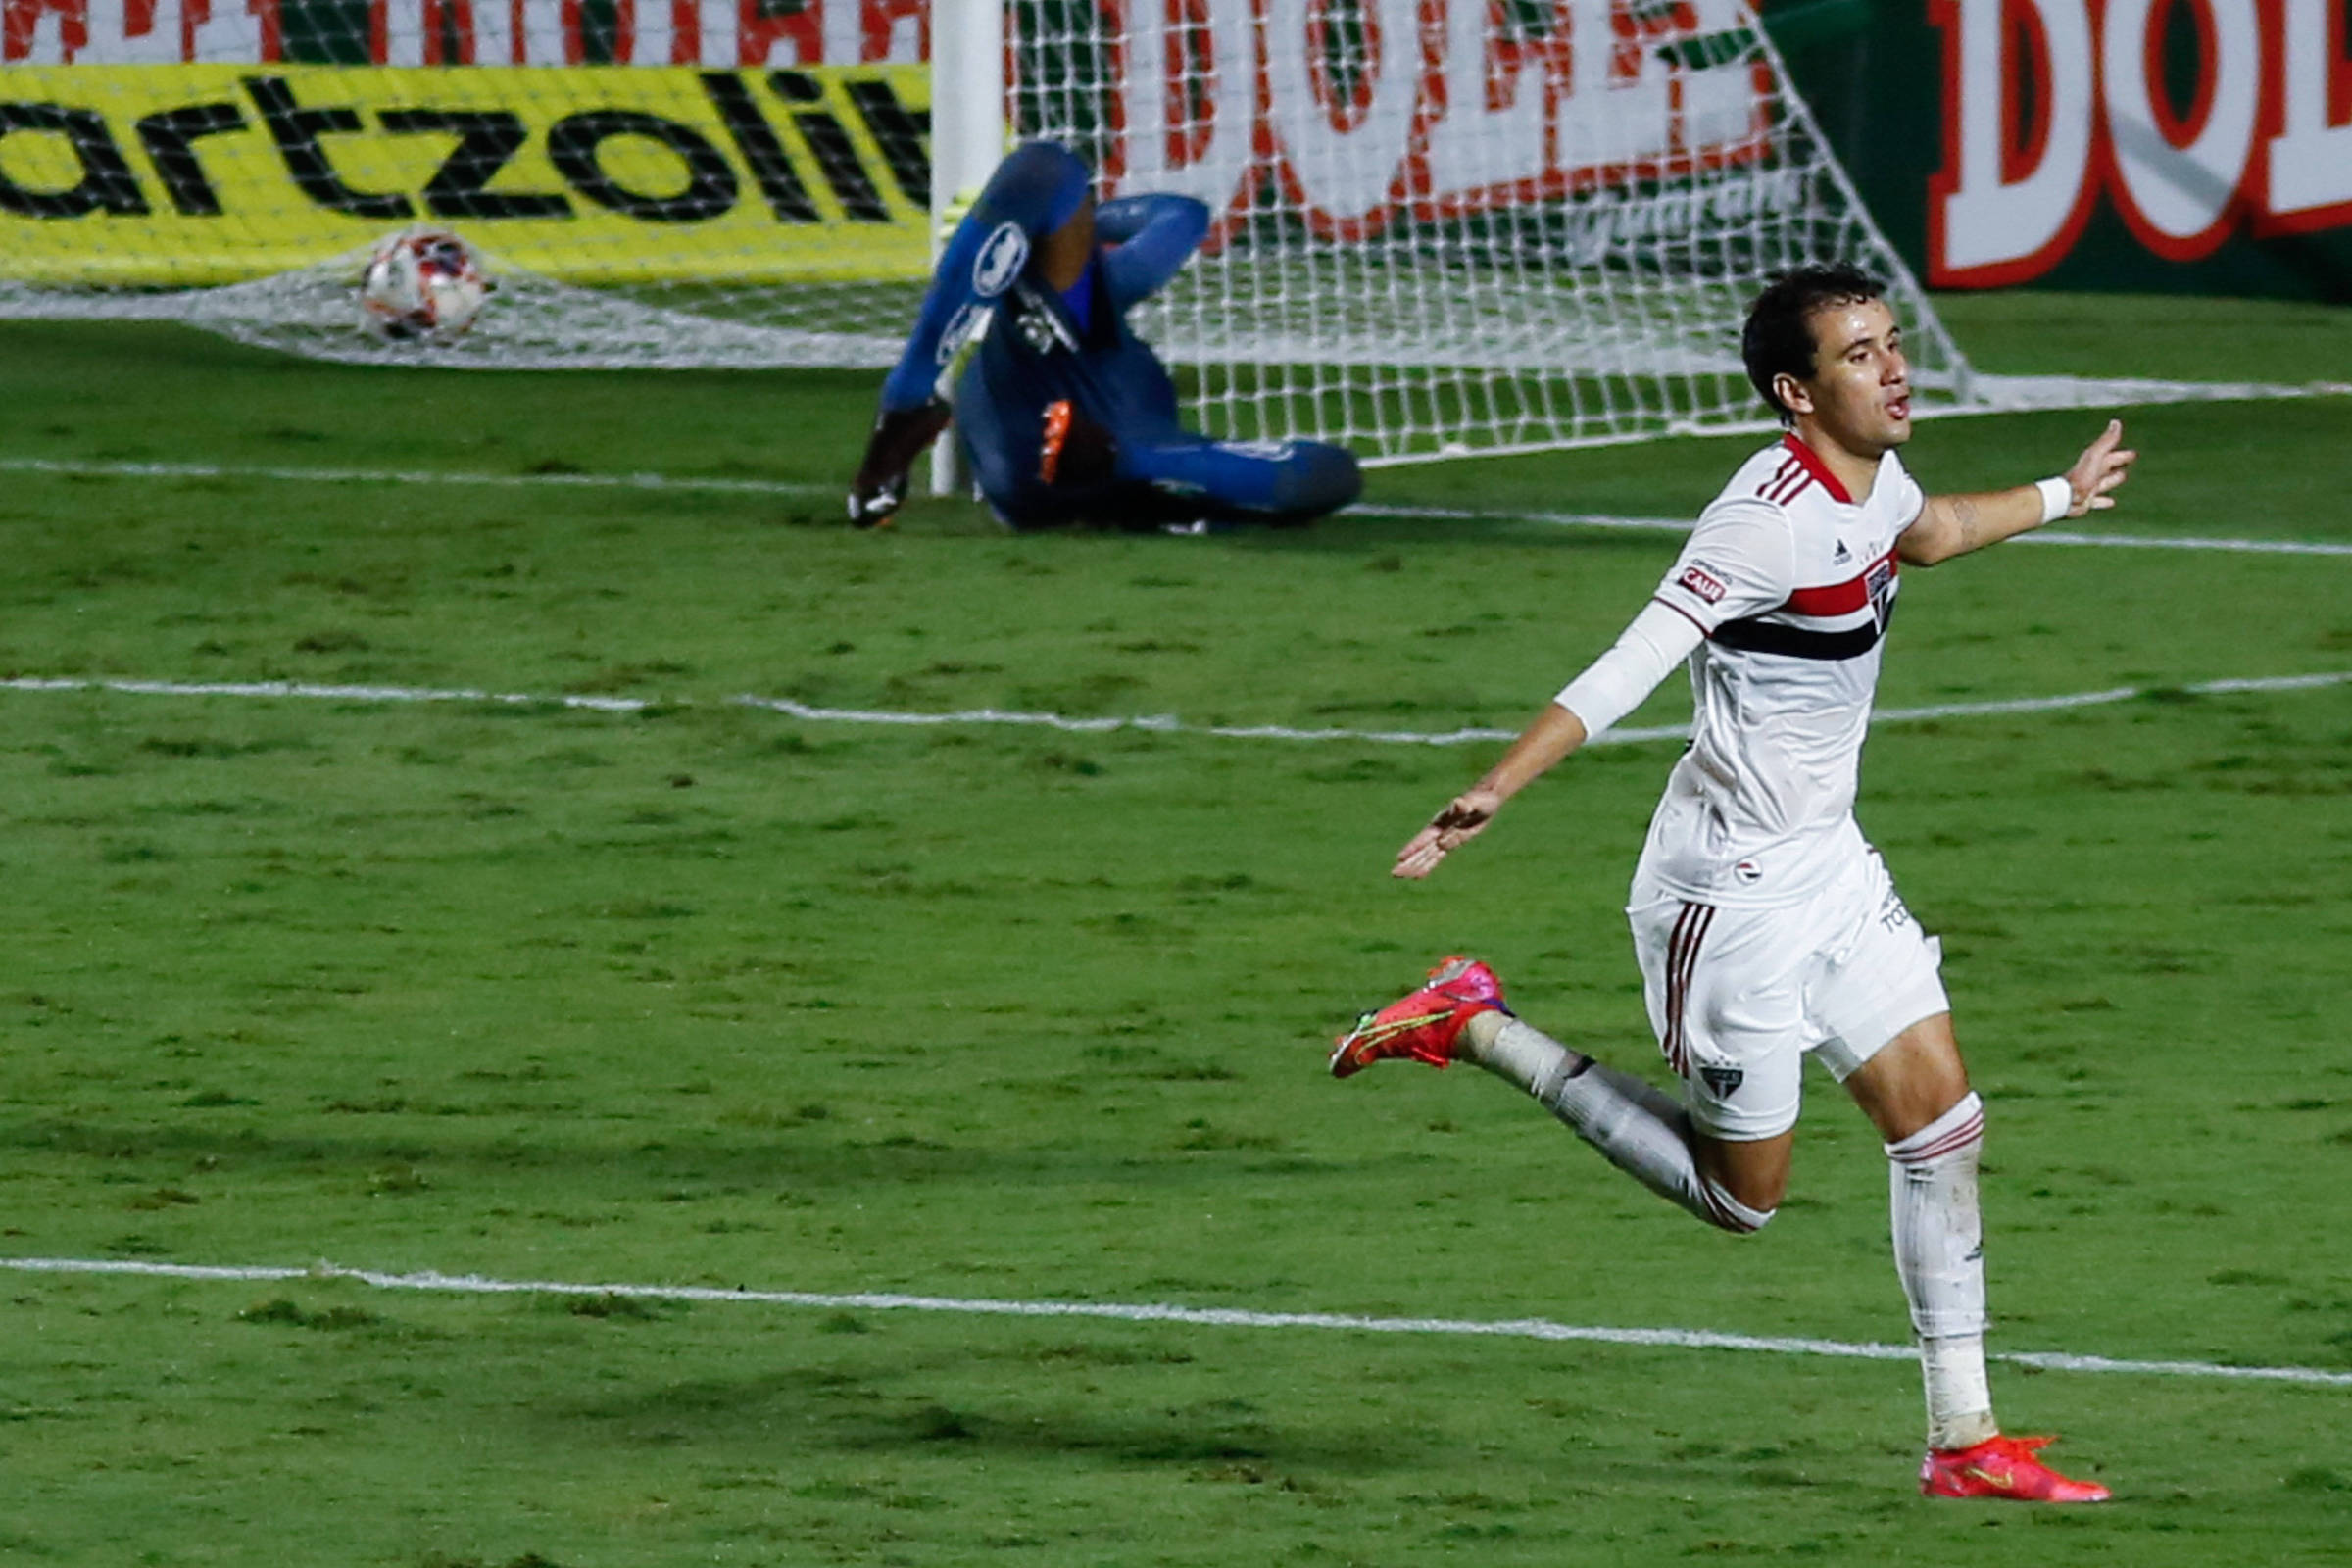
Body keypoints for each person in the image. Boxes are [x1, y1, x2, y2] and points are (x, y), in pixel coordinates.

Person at [1329, 264, 2135, 1503]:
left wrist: (2061, 496)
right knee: (1740, 1200)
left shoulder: (1873, 477)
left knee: (1942, 1128)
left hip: (1829, 868)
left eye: (1889, 341)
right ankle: (1476, 1024)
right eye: (1859, 355)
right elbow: (1634, 658)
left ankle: (1966, 1440)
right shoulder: (1761, 522)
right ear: (1794, 391)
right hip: (1728, 894)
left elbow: (1931, 534)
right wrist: (1502, 782)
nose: (1893, 367)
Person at [848, 140, 1360, 532]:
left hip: (1075, 470)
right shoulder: (1100, 301)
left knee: (1045, 169)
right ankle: (909, 401)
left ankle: (908, 399)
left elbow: (1333, 475)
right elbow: (1183, 217)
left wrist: (1123, 460)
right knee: (1045, 177)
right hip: (1075, 462)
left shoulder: (1100, 331)